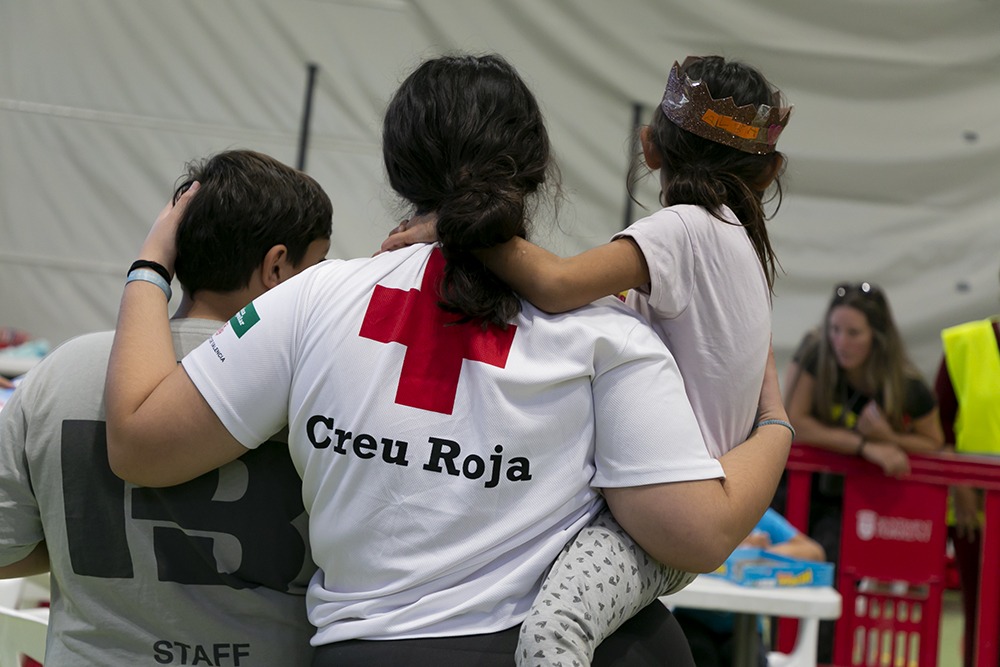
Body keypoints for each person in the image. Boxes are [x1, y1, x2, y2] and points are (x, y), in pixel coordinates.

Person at [103, 53, 794, 667]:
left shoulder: (314, 297)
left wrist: (151, 265)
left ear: (398, 167)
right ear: (532, 172)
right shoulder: (608, 334)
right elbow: (695, 532)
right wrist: (773, 422)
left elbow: (137, 442)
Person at [383, 54, 792, 665]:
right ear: (769, 173)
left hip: (657, 510)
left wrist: (450, 228)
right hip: (681, 514)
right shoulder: (744, 247)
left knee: (555, 635)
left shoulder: (683, 228)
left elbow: (556, 283)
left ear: (650, 147)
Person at [0, 149, 332, 665]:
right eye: (318, 268)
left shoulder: (57, 375)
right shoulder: (316, 389)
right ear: (276, 266)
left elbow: (6, 548)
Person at [784, 280, 944, 661]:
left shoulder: (904, 382)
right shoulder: (815, 353)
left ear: (878, 336)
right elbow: (796, 422)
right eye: (835, 330)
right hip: (793, 489)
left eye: (853, 332)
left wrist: (890, 436)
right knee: (781, 580)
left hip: (845, 503)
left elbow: (934, 442)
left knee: (831, 584)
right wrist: (865, 446)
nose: (842, 341)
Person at [934, 269, 1000, 667]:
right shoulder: (965, 343)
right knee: (982, 613)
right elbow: (937, 431)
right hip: (976, 509)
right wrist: (960, 485)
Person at [674, 508, 825, 667]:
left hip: (746, 628)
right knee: (698, 655)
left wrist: (762, 554)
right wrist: (735, 546)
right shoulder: (699, 513)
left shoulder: (759, 515)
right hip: (692, 620)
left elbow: (815, 553)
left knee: (750, 658)